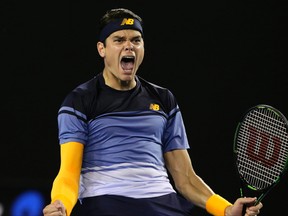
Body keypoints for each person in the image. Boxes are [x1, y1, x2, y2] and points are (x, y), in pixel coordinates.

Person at [42, 8, 263, 216]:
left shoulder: (164, 99)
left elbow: (185, 178)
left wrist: (225, 209)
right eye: (119, 40)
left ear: (143, 47)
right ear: (102, 49)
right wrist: (61, 203)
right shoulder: (79, 101)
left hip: (163, 202)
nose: (129, 47)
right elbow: (69, 174)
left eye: (135, 40)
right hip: (106, 203)